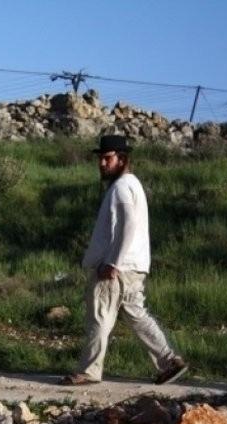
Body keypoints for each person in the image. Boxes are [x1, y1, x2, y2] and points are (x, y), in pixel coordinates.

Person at [59, 135, 188, 386]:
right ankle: (169, 361)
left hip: (116, 267)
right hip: (134, 266)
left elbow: (128, 224)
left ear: (122, 159)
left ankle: (89, 371)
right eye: (100, 158)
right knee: (137, 315)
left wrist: (113, 262)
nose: (102, 163)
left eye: (107, 158)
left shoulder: (121, 187)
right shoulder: (132, 184)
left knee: (99, 317)